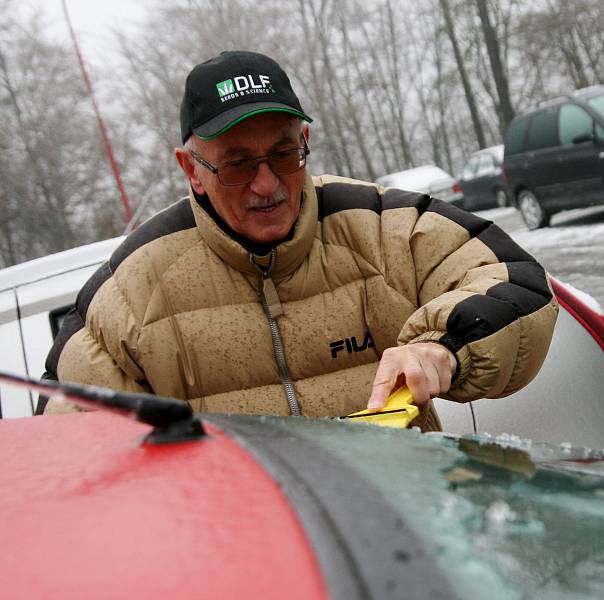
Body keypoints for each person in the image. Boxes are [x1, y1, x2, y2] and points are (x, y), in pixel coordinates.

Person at [41, 50, 558, 430]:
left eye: (284, 155)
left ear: (305, 143)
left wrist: (444, 347)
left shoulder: (382, 228)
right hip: (238, 556)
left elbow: (521, 286)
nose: (267, 185)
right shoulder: (132, 289)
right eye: (239, 164)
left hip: (406, 534)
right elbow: (67, 441)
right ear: (192, 171)